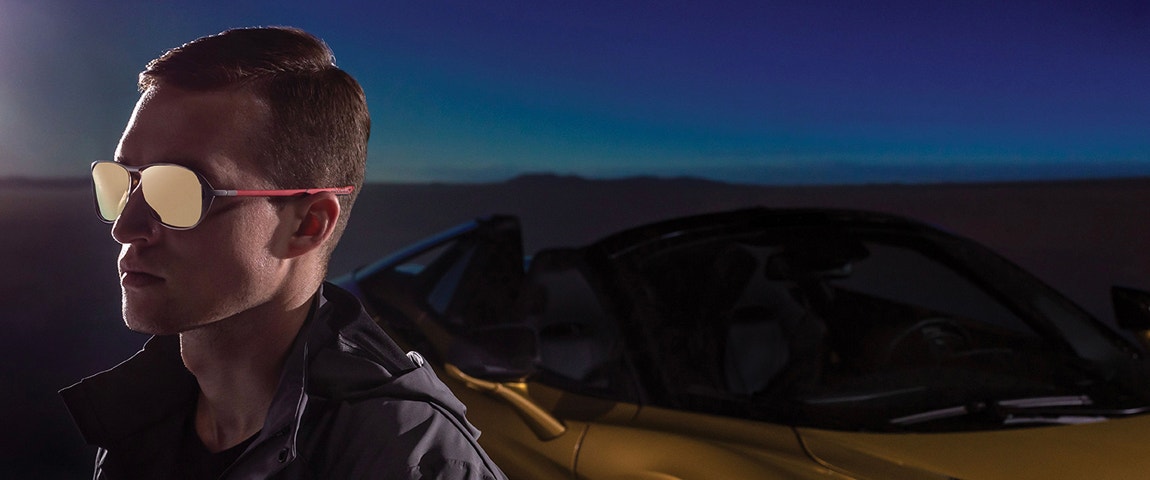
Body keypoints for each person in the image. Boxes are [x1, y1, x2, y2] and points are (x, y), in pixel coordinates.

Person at [60, 26, 508, 479]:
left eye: (178, 191)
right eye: (124, 182)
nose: (125, 227)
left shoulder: (407, 461)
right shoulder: (142, 420)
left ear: (309, 225)